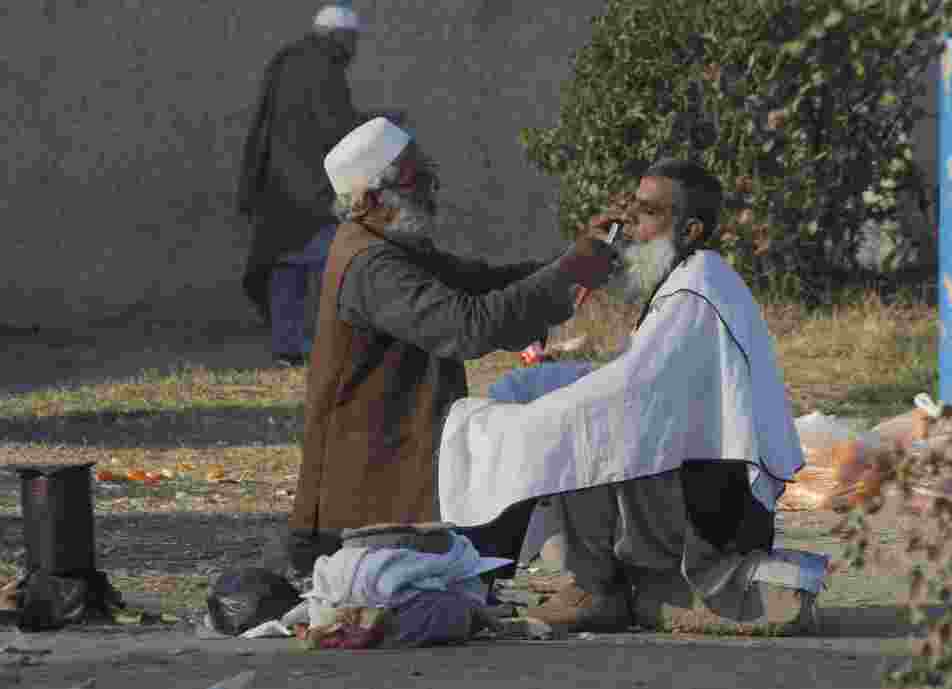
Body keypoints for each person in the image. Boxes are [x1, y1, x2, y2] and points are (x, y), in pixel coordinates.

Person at [438, 160, 829, 634]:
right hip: (707, 487)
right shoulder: (693, 276)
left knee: (583, 426)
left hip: (716, 510)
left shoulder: (696, 292)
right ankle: (599, 577)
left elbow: (631, 395)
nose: (632, 230)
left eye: (647, 214)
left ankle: (595, 585)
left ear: (690, 229)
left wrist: (552, 411)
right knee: (571, 410)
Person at [287, 117, 620, 576]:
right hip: (361, 505)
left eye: (427, 173)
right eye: (415, 179)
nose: (431, 188)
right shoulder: (371, 264)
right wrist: (570, 272)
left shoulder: (393, 245)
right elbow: (467, 326)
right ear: (370, 200)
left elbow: (486, 283)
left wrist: (578, 261)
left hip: (396, 475)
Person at [237, 4, 363, 367]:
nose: (354, 50)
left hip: (278, 187)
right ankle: (340, 342)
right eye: (352, 41)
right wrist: (372, 126)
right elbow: (334, 128)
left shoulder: (285, 62)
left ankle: (287, 345)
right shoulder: (325, 69)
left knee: (285, 264)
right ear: (339, 37)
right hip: (313, 189)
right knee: (336, 259)